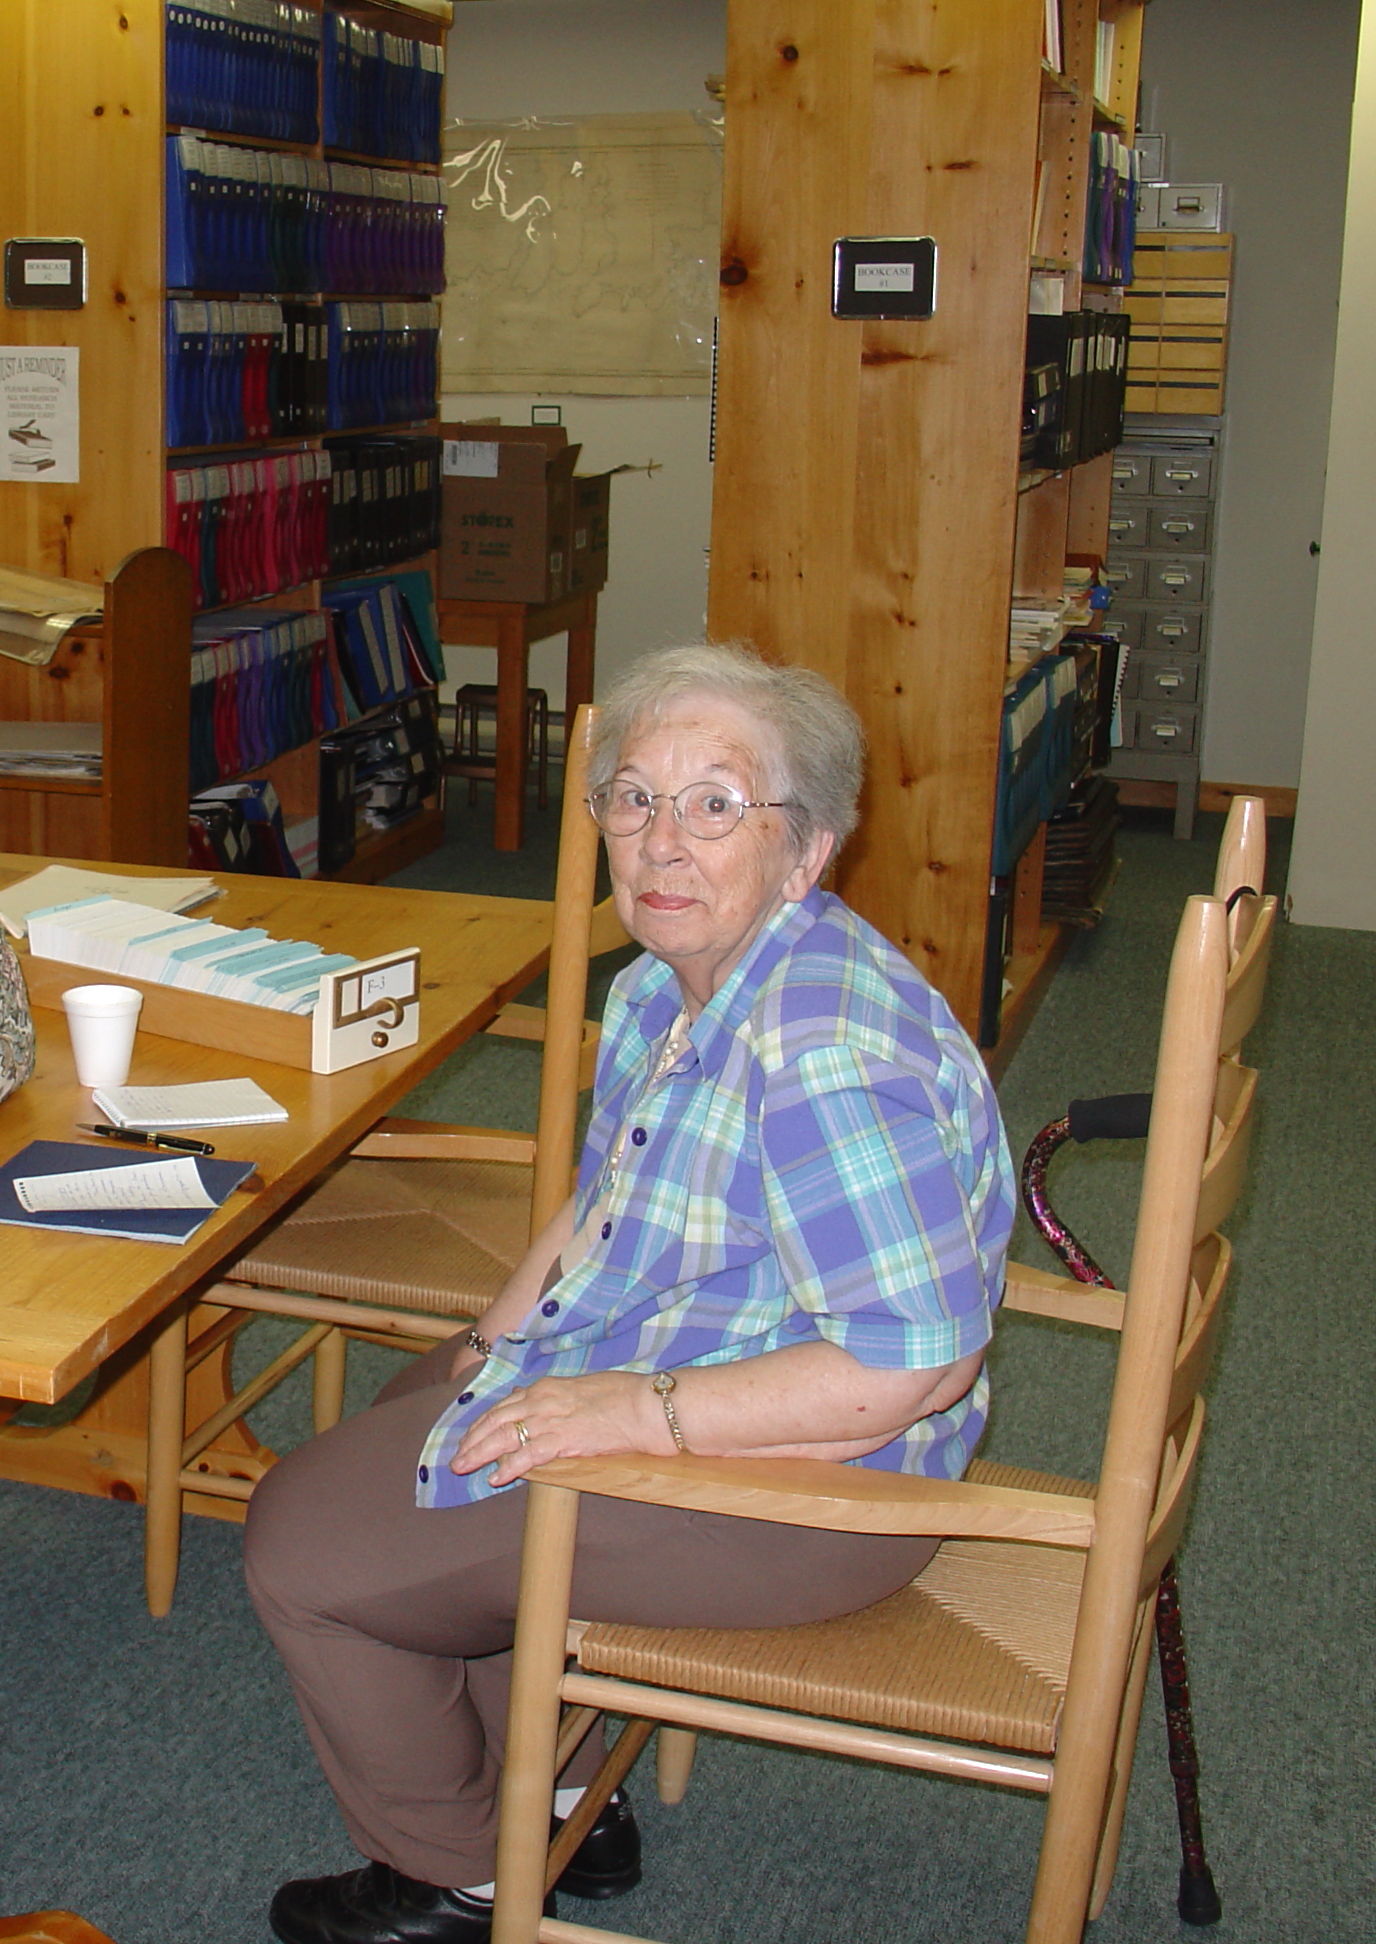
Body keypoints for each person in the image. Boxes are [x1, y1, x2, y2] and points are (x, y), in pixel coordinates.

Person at [244, 644, 1015, 1944]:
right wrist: (488, 1346)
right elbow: (610, 1208)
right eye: (632, 797)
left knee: (302, 1547)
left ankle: (463, 1878)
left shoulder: (821, 1044)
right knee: (418, 1413)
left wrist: (631, 1411)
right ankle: (555, 1808)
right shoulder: (674, 983)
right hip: (731, 1369)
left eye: (718, 803)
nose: (663, 839)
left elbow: (912, 1366)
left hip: (825, 1484)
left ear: (808, 846)